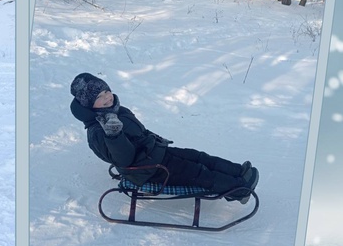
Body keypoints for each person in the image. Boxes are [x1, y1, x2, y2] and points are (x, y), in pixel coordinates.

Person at [69, 73, 259, 203]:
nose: (107, 97)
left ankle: (238, 172)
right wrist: (114, 135)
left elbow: (139, 132)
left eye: (106, 91)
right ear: (89, 104)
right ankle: (239, 190)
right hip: (147, 169)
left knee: (198, 157)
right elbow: (124, 159)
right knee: (197, 172)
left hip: (155, 152)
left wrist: (155, 140)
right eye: (99, 97)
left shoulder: (116, 110)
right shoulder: (97, 132)